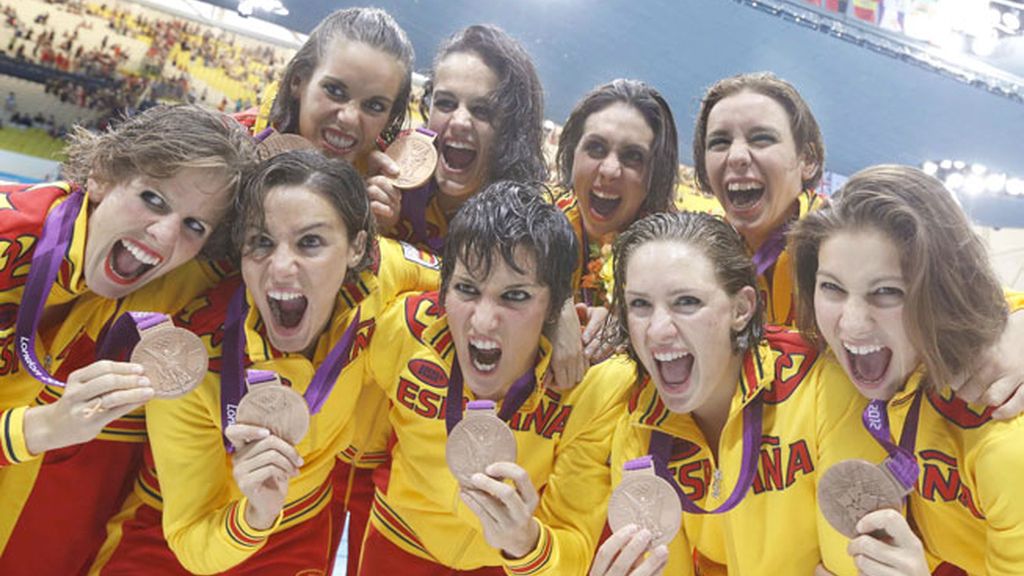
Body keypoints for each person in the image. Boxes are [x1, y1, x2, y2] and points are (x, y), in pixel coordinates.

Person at [95, 150, 439, 575]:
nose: (280, 267)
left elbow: (471, 288)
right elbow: (192, 540)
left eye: (310, 242)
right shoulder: (193, 359)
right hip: (180, 534)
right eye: (261, 242)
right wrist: (254, 515)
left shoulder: (383, 273)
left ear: (357, 249)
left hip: (299, 532)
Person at [0, 104, 255, 575]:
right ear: (101, 174)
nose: (163, 233)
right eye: (153, 198)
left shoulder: (169, 284)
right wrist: (44, 428)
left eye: (194, 225)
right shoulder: (6, 237)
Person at [692, 72, 1024, 411]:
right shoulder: (699, 260)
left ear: (807, 159)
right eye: (718, 142)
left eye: (761, 139)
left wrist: (1019, 333)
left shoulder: (844, 240)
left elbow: (984, 300)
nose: (736, 156)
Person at [356, 181, 633, 574]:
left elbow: (575, 545)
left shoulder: (590, 387)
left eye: (515, 296)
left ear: (556, 306)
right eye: (467, 289)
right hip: (398, 541)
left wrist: (526, 543)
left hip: (506, 564)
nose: (483, 322)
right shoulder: (403, 328)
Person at [588, 211, 862, 576]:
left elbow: (851, 566)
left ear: (742, 308)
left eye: (686, 302)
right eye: (639, 304)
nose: (656, 330)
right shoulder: (638, 425)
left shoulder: (822, 387)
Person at [789, 165, 1024, 575]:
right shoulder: (902, 373)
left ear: (944, 290)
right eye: (832, 287)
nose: (852, 323)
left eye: (887, 292)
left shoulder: (1005, 443)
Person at [549, 79, 678, 366]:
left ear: (655, 176)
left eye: (633, 157)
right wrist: (551, 311)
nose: (609, 170)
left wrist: (633, 328)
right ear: (571, 154)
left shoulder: (679, 260)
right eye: (595, 148)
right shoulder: (532, 230)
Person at [384, 24, 546, 253]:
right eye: (446, 103)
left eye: (482, 110)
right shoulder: (389, 170)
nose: (459, 121)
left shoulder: (523, 234)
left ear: (511, 129)